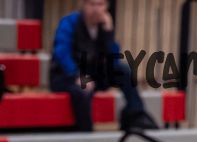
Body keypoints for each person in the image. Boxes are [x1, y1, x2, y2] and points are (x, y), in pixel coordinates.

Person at [49, 0, 155, 132]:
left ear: (106, 7)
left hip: (92, 75)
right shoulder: (69, 22)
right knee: (83, 91)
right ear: (83, 5)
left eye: (100, 4)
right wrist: (77, 75)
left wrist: (108, 33)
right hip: (66, 77)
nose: (96, 9)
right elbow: (61, 52)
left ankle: (135, 115)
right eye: (92, 4)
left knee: (123, 71)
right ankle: (86, 133)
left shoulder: (103, 26)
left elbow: (113, 60)